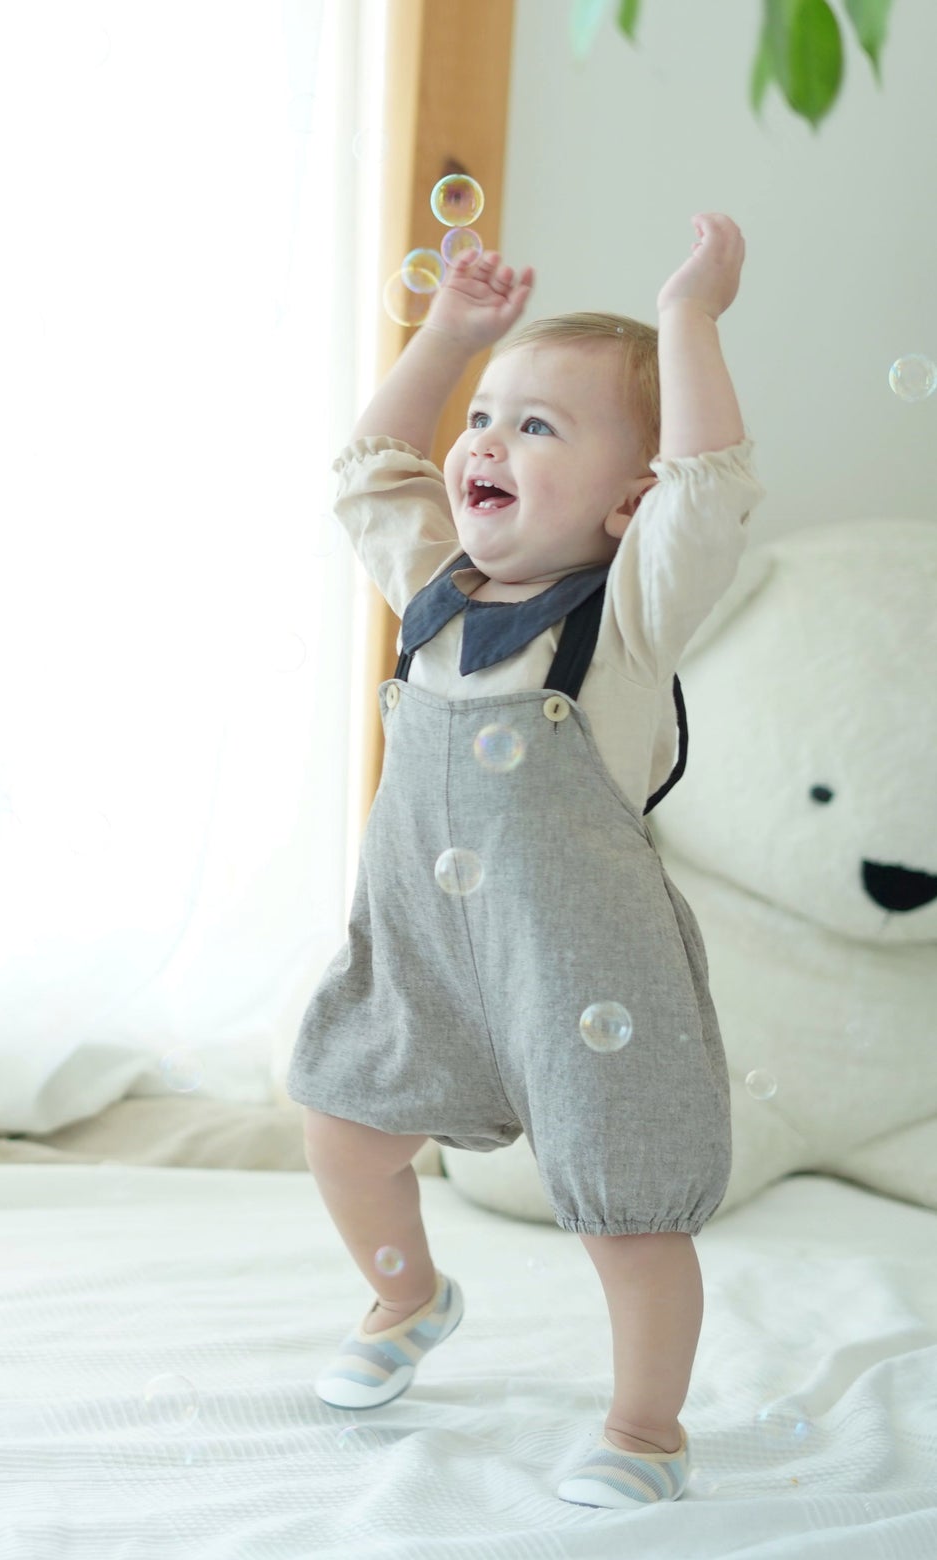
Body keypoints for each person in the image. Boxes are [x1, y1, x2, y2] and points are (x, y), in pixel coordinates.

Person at [286, 213, 765, 1507]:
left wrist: (687, 322)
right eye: (486, 419)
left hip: (579, 977)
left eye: (538, 426)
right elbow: (367, 465)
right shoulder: (434, 583)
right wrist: (450, 337)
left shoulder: (623, 619)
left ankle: (642, 1427)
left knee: (626, 1210)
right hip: (432, 958)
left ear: (626, 501)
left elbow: (708, 483)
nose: (485, 441)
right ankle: (407, 1301)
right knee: (338, 1126)